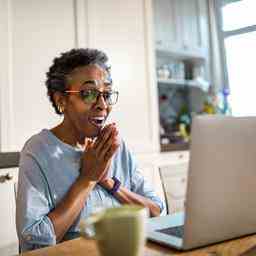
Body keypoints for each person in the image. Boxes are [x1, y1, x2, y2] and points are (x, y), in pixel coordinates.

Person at [16, 48, 164, 252]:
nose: (102, 104)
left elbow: (157, 211)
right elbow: (34, 244)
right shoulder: (38, 150)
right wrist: (88, 179)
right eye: (89, 94)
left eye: (107, 94)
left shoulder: (115, 146)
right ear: (61, 100)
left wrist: (109, 182)